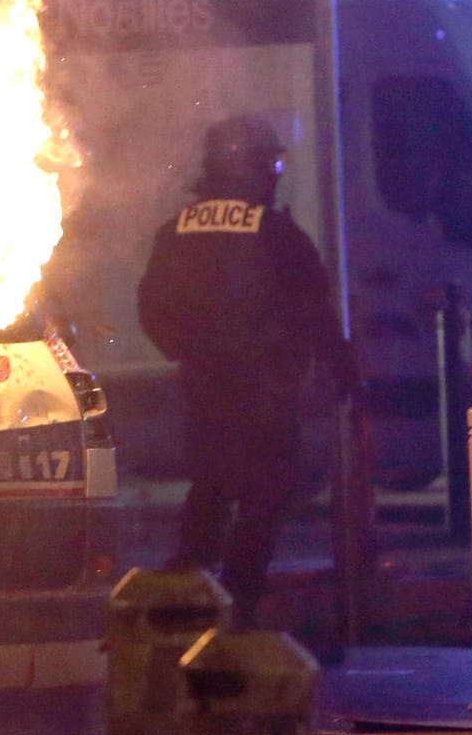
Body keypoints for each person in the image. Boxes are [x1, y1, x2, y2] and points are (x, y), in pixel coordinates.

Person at [137, 112, 357, 627]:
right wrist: (345, 377)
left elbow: (152, 310)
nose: (277, 173)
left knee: (209, 495)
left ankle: (186, 613)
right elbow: (316, 314)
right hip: (264, 396)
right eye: (273, 163)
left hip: (204, 393)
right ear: (254, 168)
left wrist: (192, 354)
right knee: (262, 503)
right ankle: (236, 612)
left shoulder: (177, 231)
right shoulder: (276, 234)